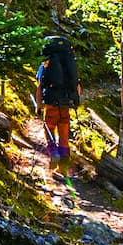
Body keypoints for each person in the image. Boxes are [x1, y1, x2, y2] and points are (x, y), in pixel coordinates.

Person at [37, 32, 80, 172]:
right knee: (64, 134)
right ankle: (63, 165)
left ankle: (53, 152)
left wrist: (39, 106)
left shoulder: (46, 64)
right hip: (66, 104)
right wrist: (74, 101)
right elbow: (77, 85)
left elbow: (40, 86)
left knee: (48, 128)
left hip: (51, 104)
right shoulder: (69, 63)